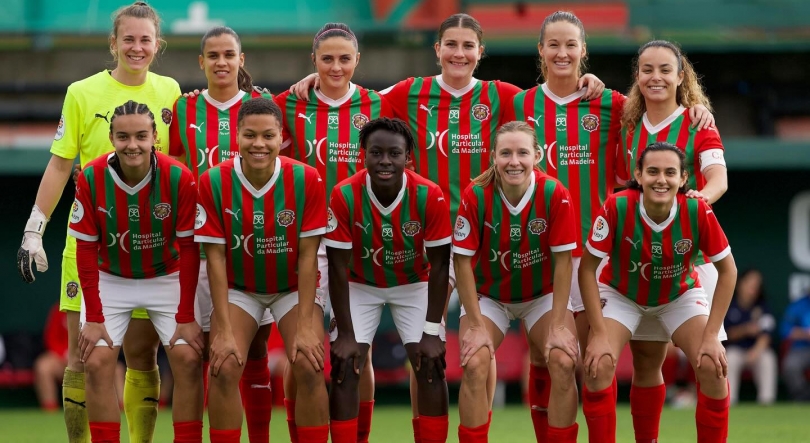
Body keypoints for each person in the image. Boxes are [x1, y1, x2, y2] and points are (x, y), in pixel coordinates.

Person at [288, 16, 604, 440]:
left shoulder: (503, 97)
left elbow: (550, 100)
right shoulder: (407, 93)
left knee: (483, 354)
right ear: (437, 49)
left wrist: (589, 81)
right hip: (424, 241)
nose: (459, 53)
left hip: (482, 240)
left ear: (480, 53)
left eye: (468, 45)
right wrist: (322, 75)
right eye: (450, 44)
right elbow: (349, 93)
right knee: (442, 352)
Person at [503, 13, 717, 442]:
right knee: (553, 360)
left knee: (618, 362)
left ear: (584, 51)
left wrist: (697, 109)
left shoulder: (616, 105)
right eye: (553, 45)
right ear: (541, 51)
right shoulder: (518, 105)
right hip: (543, 251)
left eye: (571, 45)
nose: (562, 53)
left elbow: (660, 104)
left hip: (602, 256)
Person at [15, 3, 180, 442]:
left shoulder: (170, 91)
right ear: (113, 43)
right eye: (128, 39)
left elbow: (179, 168)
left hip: (147, 245)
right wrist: (35, 227)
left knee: (142, 356)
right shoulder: (81, 93)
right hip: (88, 241)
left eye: (145, 40)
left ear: (157, 45)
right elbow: (58, 164)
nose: (137, 47)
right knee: (81, 355)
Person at [274, 23, 393, 441]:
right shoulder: (290, 104)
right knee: (302, 350)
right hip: (304, 244)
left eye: (345, 58)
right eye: (327, 59)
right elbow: (240, 109)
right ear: (314, 61)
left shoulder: (380, 104)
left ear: (358, 60)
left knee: (359, 351)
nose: (336, 66)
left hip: (360, 243)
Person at [579, 142, 737, 443]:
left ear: (683, 179)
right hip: (621, 294)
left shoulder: (697, 210)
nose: (660, 179)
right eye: (652, 171)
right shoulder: (617, 205)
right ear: (638, 174)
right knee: (598, 365)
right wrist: (597, 333)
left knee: (714, 367)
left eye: (669, 172)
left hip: (679, 296)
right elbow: (587, 269)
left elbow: (729, 271)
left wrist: (711, 335)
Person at [195, 97, 329, 443]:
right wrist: (221, 330)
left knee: (309, 363)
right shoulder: (212, 181)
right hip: (241, 289)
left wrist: (304, 327)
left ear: (280, 137)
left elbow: (308, 256)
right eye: (250, 135)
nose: (259, 144)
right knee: (223, 366)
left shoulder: (307, 178)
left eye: (268, 136)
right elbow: (215, 258)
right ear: (236, 136)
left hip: (291, 288)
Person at [70, 100, 203, 442]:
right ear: (112, 138)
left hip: (167, 277)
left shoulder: (179, 177)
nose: (133, 145)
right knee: (97, 362)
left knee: (188, 359)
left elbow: (189, 249)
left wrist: (186, 314)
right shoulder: (91, 177)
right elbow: (85, 250)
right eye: (123, 137)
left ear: (155, 137)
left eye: (141, 136)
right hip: (111, 279)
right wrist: (95, 316)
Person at [169, 26, 275, 443]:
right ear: (202, 62)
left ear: (241, 59)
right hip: (199, 246)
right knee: (211, 356)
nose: (221, 62)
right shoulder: (184, 109)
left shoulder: (261, 105)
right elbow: (177, 165)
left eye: (228, 54)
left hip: (254, 247)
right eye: (212, 55)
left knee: (256, 353)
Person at [620, 39, 726, 443]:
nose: (656, 77)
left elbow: (719, 179)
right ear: (638, 76)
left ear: (682, 77)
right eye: (647, 70)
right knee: (647, 362)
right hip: (642, 264)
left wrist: (697, 200)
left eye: (666, 69)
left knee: (710, 364)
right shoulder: (628, 125)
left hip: (691, 261)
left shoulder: (699, 121)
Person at [324, 117, 451, 443]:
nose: (384, 161)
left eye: (394, 154)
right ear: (362, 154)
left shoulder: (429, 194)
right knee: (345, 364)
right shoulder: (344, 195)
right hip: (358, 283)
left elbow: (439, 267)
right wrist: (346, 334)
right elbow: (336, 268)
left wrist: (433, 332)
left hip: (414, 283)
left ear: (408, 157)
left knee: (430, 365)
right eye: (376, 153)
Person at [453, 121, 578, 443]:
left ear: (536, 155)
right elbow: (462, 261)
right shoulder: (476, 194)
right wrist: (477, 324)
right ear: (493, 156)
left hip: (542, 295)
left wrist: (560, 325)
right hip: (490, 296)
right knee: (475, 362)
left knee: (563, 361)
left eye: (522, 152)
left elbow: (564, 263)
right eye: (505, 153)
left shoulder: (554, 193)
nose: (514, 161)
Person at [724, 269, 777, 405]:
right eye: (750, 283)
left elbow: (767, 334)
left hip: (756, 351)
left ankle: (766, 403)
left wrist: (756, 351)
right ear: (740, 284)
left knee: (768, 358)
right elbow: (725, 335)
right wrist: (746, 330)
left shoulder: (762, 307)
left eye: (757, 285)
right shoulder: (728, 305)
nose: (753, 288)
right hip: (735, 350)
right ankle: (729, 402)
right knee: (730, 358)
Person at [34, 303, 69, 412]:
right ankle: (50, 409)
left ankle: (119, 409)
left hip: (88, 358)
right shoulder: (59, 309)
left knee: (117, 370)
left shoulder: (96, 308)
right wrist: (65, 353)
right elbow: (51, 338)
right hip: (62, 359)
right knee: (43, 366)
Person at [780, 291, 810, 401]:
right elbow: (785, 331)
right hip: (801, 348)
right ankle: (802, 396)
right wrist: (805, 333)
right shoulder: (798, 306)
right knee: (790, 365)